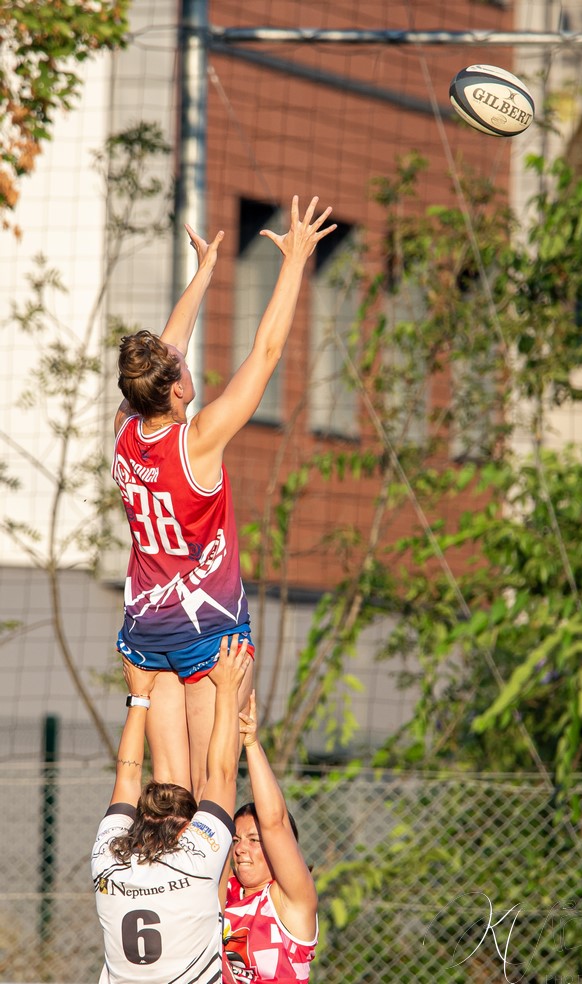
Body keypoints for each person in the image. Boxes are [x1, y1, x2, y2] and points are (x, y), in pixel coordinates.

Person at [112, 196, 337, 797]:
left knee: (169, 792)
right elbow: (265, 354)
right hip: (209, 631)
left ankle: (158, 888)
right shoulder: (200, 440)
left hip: (146, 632)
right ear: (178, 387)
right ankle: (202, 894)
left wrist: (204, 272)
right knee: (216, 783)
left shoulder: (124, 431)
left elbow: (164, 352)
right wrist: (294, 263)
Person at [92, 635, 249, 984]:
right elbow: (128, 776)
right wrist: (138, 696)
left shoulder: (195, 861)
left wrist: (225, 689)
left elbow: (220, 775)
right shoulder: (106, 862)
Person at [222, 691, 318, 984]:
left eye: (254, 840)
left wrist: (250, 743)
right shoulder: (224, 889)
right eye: (236, 840)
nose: (241, 848)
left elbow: (274, 823)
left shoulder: (289, 900)